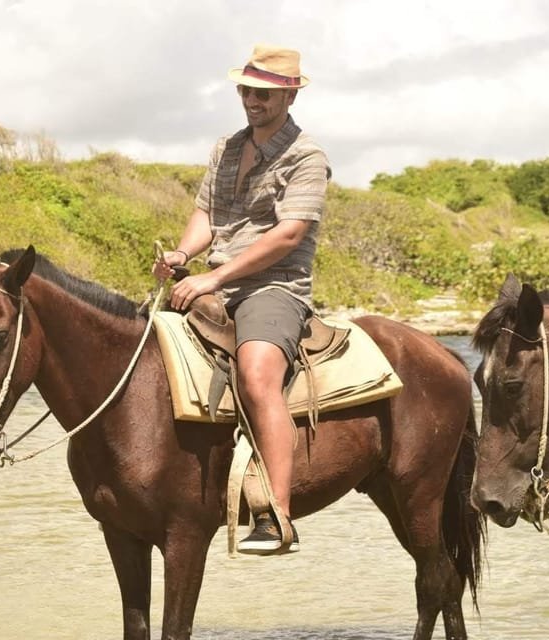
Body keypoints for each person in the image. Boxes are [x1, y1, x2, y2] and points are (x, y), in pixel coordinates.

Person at [153, 44, 330, 555]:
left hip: (274, 286)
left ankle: (276, 515)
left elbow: (288, 235)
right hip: (215, 280)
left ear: (291, 95)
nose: (253, 100)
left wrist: (214, 278)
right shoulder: (226, 149)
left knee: (255, 373)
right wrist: (182, 254)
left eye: (265, 94)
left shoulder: (307, 158)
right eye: (247, 90)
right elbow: (206, 215)